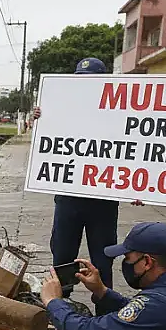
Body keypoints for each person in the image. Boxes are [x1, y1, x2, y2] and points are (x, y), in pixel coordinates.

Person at [33, 57, 123, 303]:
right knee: (62, 256)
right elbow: (49, 141)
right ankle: (60, 307)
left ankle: (105, 309)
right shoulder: (62, 107)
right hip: (69, 197)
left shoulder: (119, 113)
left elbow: (133, 148)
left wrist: (137, 188)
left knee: (103, 259)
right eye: (81, 80)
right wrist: (41, 119)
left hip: (103, 199)